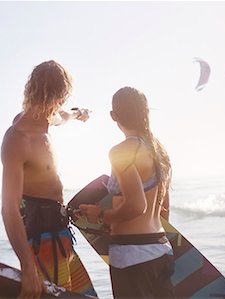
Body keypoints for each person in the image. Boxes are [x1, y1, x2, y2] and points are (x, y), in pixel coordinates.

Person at [1, 60, 96, 299]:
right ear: (54, 97)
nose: (61, 105)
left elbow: (62, 117)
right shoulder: (18, 139)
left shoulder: (47, 118)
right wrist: (28, 267)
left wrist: (78, 114)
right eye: (61, 99)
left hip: (61, 235)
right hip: (42, 244)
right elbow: (9, 209)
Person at [79, 86, 175, 299]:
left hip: (132, 255)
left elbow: (136, 205)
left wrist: (101, 215)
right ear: (145, 112)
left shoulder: (121, 151)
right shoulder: (160, 151)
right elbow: (163, 209)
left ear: (113, 116)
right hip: (161, 249)